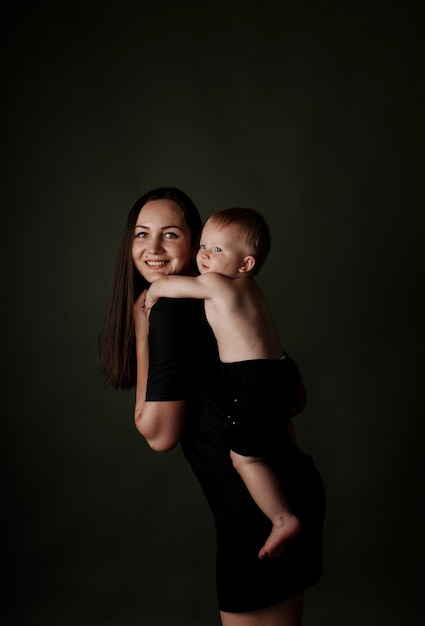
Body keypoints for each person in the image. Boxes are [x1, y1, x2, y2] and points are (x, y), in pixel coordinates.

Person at [100, 187, 326, 626]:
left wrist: (141, 326)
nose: (153, 248)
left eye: (170, 234)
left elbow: (159, 433)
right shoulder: (222, 297)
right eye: (141, 234)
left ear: (194, 239)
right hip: (288, 487)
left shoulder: (169, 309)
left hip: (256, 516)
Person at [145, 207, 303, 560]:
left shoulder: (215, 284)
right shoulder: (252, 289)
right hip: (281, 370)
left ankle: (282, 518)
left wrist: (153, 294)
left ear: (245, 264)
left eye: (218, 250)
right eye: (203, 245)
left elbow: (170, 284)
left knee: (244, 459)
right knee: (279, 433)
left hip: (250, 380)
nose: (204, 254)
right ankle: (290, 464)